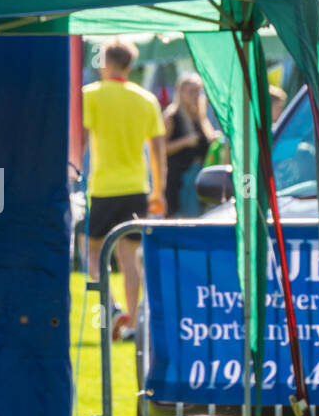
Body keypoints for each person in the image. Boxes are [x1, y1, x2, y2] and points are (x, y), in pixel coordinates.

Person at [82, 39, 166, 337]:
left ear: (105, 62)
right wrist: (159, 191)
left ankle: (114, 306)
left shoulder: (90, 96)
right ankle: (132, 322)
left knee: (91, 251)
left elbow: (78, 140)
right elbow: (158, 151)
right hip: (136, 187)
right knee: (129, 258)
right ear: (131, 65)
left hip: (104, 186)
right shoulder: (146, 99)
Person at [163, 73, 217, 216]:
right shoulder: (171, 116)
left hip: (202, 176)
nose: (196, 95)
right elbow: (161, 149)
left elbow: (210, 140)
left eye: (198, 91)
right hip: (181, 179)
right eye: (191, 91)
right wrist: (184, 142)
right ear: (181, 92)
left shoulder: (200, 116)